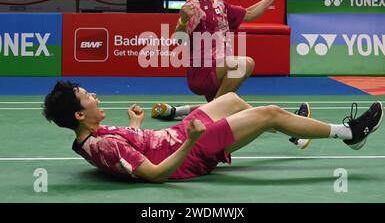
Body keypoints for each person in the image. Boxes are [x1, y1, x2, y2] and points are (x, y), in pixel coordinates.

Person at [43, 81, 383, 183]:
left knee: (232, 99)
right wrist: (191, 139)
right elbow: (156, 174)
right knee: (269, 114)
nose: (95, 96)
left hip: (176, 136)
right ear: (78, 113)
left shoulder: (92, 136)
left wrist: (135, 126)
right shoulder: (103, 146)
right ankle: (349, 133)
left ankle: (293, 131)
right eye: (88, 97)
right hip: (191, 150)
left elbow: (131, 151)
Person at [151, 0, 309, 147]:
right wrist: (183, 20)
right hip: (202, 71)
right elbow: (178, 40)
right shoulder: (194, 4)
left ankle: (293, 133)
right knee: (244, 64)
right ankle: (213, 115)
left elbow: (249, 14)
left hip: (218, 72)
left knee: (239, 109)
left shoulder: (221, 6)